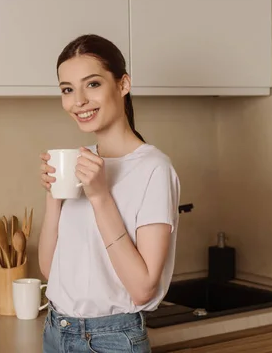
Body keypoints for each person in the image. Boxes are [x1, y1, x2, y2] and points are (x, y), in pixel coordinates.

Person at [38, 34, 181, 353]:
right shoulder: (78, 161)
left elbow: (143, 288)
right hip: (55, 332)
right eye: (67, 89)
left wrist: (101, 197)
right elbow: (50, 270)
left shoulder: (154, 169)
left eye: (92, 84)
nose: (78, 101)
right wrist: (53, 197)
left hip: (111, 340)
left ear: (123, 84)